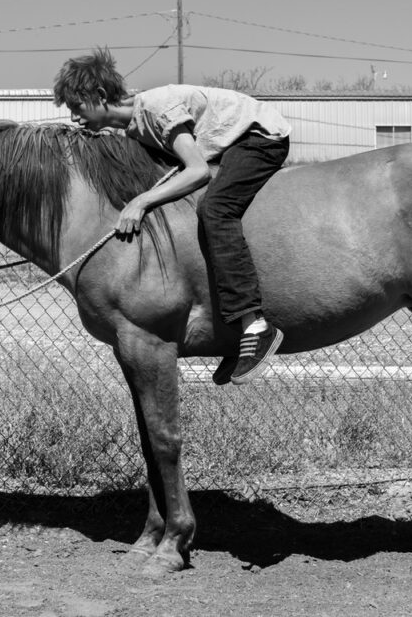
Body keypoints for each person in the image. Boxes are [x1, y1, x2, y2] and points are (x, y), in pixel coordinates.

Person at [53, 47, 291, 386]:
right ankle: (232, 332)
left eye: (77, 107)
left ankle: (256, 327)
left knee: (215, 208)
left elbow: (196, 172)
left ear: (101, 96)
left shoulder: (156, 111)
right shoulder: (133, 128)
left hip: (259, 136)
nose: (74, 118)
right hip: (228, 144)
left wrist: (141, 202)